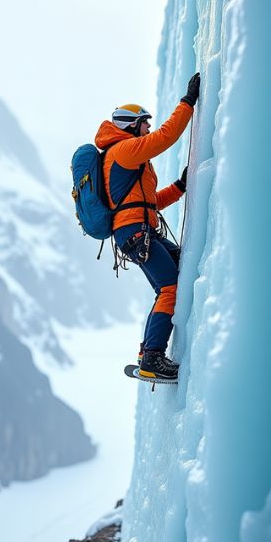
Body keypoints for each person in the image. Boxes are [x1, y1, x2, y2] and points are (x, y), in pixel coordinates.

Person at [94, 73, 200, 380]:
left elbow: (146, 203)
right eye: (144, 122)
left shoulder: (123, 156)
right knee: (168, 288)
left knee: (179, 264)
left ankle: (147, 352)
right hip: (135, 232)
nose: (148, 127)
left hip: (138, 230)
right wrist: (187, 101)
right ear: (131, 125)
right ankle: (152, 357)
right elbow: (165, 137)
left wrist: (179, 186)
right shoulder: (124, 151)